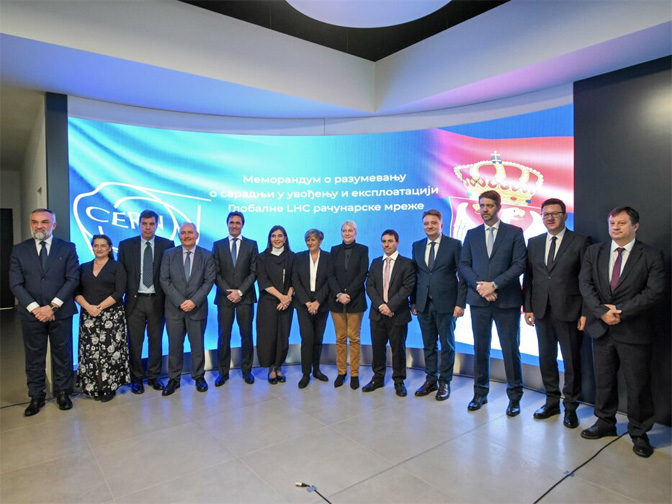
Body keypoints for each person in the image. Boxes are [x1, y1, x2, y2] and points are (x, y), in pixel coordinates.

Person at [579, 207, 665, 458]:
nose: (615, 227)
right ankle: (605, 422)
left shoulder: (651, 255)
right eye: (612, 223)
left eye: (622, 223)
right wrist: (601, 312)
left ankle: (639, 433)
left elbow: (654, 292)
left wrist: (620, 311)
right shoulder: (594, 252)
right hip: (601, 328)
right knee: (604, 381)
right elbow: (585, 284)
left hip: (633, 330)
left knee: (637, 385)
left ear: (635, 226)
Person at [523, 198, 590, 428]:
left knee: (571, 361)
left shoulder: (580, 241)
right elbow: (529, 278)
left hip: (570, 311)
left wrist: (585, 311)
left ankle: (570, 407)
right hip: (541, 311)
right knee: (546, 358)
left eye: (555, 213)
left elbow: (586, 279)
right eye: (546, 214)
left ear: (565, 216)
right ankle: (551, 402)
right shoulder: (534, 242)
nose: (550, 217)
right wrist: (528, 307)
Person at [459, 190, 527, 416]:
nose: (485, 209)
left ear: (498, 207)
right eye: (482, 205)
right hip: (479, 301)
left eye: (489, 205)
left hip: (506, 301)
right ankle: (480, 393)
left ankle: (515, 397)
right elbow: (464, 265)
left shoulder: (514, 232)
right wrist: (481, 288)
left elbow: (519, 265)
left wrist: (494, 285)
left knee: (510, 349)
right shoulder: (472, 234)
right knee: (481, 348)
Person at [9, 208, 80, 416]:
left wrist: (52, 307)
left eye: (45, 222)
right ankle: (36, 396)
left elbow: (72, 279)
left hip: (60, 312)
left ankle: (62, 393)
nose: (39, 226)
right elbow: (15, 283)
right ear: (30, 224)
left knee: (63, 354)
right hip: (31, 314)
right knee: (34, 356)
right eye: (35, 222)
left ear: (53, 225)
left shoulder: (67, 248)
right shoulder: (19, 250)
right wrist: (36, 309)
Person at [411, 209, 466, 401]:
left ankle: (445, 382)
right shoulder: (417, 246)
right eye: (426, 223)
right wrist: (413, 301)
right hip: (423, 304)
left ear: (441, 225)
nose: (430, 226)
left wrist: (460, 303)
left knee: (447, 344)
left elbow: (462, 276)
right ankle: (430, 380)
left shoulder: (454, 245)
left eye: (433, 223)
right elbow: (415, 276)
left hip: (447, 304)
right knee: (428, 345)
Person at [118, 209, 175, 394]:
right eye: (144, 224)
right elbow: (121, 276)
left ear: (157, 225)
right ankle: (136, 378)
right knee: (134, 342)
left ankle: (153, 376)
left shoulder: (168, 245)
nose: (148, 227)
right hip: (134, 301)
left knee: (155, 340)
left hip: (157, 301)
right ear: (139, 224)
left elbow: (171, 275)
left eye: (151, 224)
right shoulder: (126, 246)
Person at [159, 222, 216, 396]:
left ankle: (199, 377)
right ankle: (174, 379)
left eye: (190, 232)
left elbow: (209, 281)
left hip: (197, 309)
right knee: (174, 346)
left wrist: (193, 301)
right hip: (174, 309)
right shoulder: (169, 254)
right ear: (179, 236)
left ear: (197, 235)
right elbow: (164, 280)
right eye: (183, 233)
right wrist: (180, 301)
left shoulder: (207, 255)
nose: (187, 236)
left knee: (197, 345)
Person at [74, 235, 130, 402]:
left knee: (109, 353)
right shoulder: (83, 267)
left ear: (109, 248)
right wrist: (88, 307)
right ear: (92, 247)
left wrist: (99, 308)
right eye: (96, 245)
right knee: (90, 353)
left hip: (111, 316)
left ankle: (109, 387)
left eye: (103, 245)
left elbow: (120, 292)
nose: (99, 249)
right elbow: (76, 291)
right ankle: (93, 386)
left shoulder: (117, 267)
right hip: (88, 316)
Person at [363, 229, 416, 397]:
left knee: (398, 349)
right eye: (384, 241)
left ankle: (399, 381)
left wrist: (390, 307)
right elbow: (369, 286)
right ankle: (378, 378)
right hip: (377, 314)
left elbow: (407, 288)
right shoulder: (375, 262)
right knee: (378, 348)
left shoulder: (407, 263)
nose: (387, 244)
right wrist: (381, 305)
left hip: (397, 314)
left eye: (390, 241)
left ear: (397, 242)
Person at [212, 211, 258, 386]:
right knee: (224, 336)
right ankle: (223, 373)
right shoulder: (218, 245)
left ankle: (247, 371)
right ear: (227, 224)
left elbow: (254, 272)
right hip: (224, 300)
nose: (234, 225)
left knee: (246, 335)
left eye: (238, 223)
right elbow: (215, 273)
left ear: (242, 225)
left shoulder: (252, 244)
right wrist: (229, 292)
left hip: (245, 298)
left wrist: (240, 292)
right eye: (232, 222)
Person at [328, 220, 369, 390]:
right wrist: (339, 294)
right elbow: (330, 275)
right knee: (340, 338)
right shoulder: (334, 250)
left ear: (355, 232)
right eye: (344, 230)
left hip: (355, 301)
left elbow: (362, 274)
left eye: (350, 230)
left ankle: (354, 374)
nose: (347, 233)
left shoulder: (363, 250)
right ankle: (341, 372)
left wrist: (348, 294)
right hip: (336, 301)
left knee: (354, 338)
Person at [293, 229, 332, 388]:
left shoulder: (328, 257)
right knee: (307, 339)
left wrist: (317, 302)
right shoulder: (299, 257)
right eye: (308, 240)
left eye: (313, 240)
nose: (310, 243)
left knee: (318, 339)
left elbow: (330, 281)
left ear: (320, 241)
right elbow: (295, 281)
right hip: (303, 305)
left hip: (322, 305)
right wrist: (307, 302)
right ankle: (305, 373)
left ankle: (316, 370)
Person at [256, 225, 295, 384]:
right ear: (269, 239)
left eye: (280, 236)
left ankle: (279, 366)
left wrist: (287, 298)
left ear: (285, 239)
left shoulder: (292, 257)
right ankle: (271, 368)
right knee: (268, 336)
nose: (277, 239)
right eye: (273, 236)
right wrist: (281, 297)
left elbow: (295, 280)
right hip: (268, 303)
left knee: (283, 336)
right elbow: (263, 281)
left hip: (287, 303)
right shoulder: (262, 257)